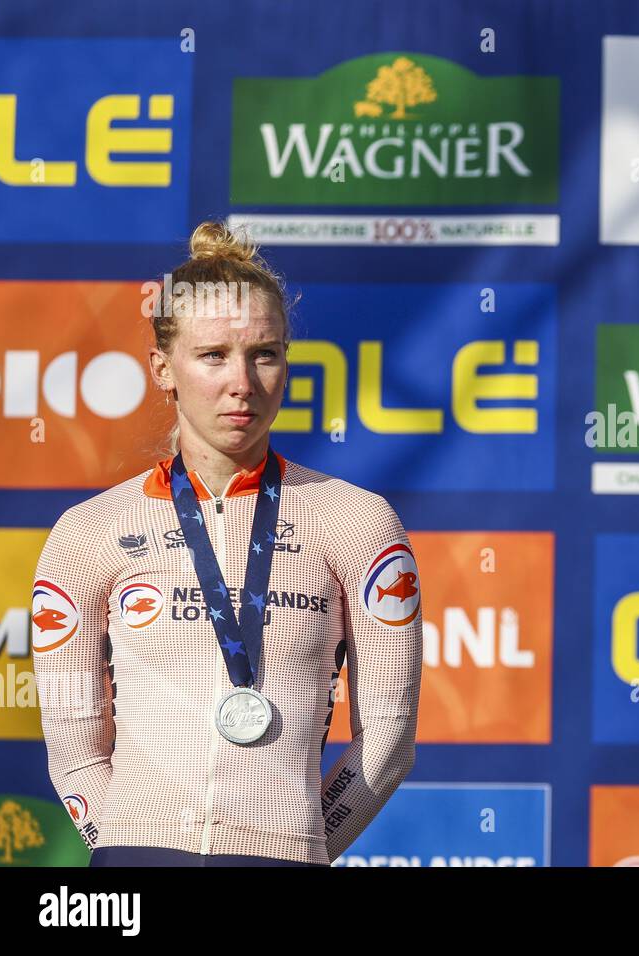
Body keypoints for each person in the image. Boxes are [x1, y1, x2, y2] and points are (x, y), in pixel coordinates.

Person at [30, 221, 424, 867]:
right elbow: (75, 753)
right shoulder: (87, 533)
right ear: (164, 369)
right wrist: (128, 850)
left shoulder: (357, 521)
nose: (242, 381)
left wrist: (302, 847)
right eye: (213, 355)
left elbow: (389, 739)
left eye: (264, 353)